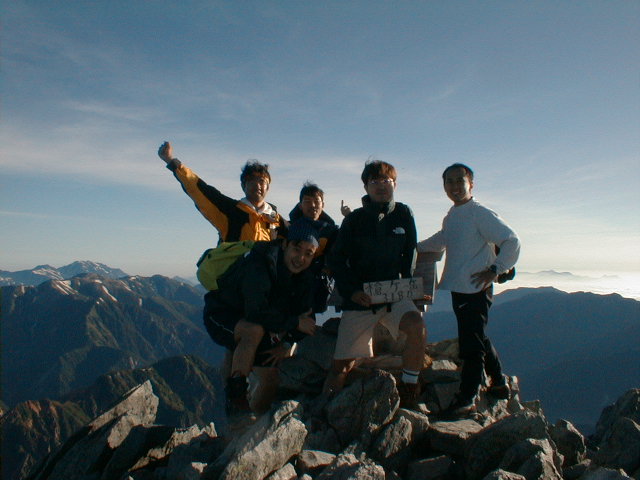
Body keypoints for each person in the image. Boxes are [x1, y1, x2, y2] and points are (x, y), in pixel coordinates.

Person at [324, 160, 427, 412]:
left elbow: (410, 253)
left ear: (395, 184)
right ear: (366, 187)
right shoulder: (354, 220)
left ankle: (409, 388)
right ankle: (324, 408)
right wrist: (353, 291)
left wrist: (409, 290)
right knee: (343, 365)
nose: (381, 186)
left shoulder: (404, 213)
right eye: (375, 182)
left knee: (416, 327)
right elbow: (336, 260)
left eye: (387, 181)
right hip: (362, 299)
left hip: (393, 296)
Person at [418, 163, 520, 416]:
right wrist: (413, 247)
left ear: (470, 184)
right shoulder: (453, 215)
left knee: (470, 343)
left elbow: (512, 241)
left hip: (475, 288)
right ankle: (498, 383)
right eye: (448, 182)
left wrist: (495, 269)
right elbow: (442, 239)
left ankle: (468, 396)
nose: (454, 186)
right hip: (462, 287)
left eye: (458, 181)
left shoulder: (479, 213)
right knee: (477, 335)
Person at [204, 218, 320, 417]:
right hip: (222, 313)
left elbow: (306, 316)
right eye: (297, 248)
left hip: (262, 319)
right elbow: (255, 312)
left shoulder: (305, 277)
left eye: (308, 254)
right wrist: (294, 323)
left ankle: (256, 421)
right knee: (252, 332)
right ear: (285, 244)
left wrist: (285, 345)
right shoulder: (260, 263)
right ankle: (237, 399)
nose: (300, 258)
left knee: (270, 378)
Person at [158, 141, 283, 243]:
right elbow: (198, 188)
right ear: (243, 185)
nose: (257, 185)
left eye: (262, 181)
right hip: (236, 273)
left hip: (266, 274)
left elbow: (296, 238)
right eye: (251, 180)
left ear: (268, 186)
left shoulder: (273, 216)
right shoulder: (229, 210)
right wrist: (171, 161)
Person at [288, 182, 339, 314]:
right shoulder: (289, 227)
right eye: (307, 201)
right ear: (300, 205)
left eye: (317, 201)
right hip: (290, 288)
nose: (313, 205)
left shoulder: (331, 231)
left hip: (319, 291)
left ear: (323, 204)